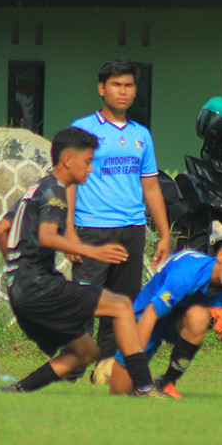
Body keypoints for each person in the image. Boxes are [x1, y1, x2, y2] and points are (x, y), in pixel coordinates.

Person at [0, 127, 169, 397]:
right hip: (39, 286)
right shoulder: (55, 191)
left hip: (20, 290)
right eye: (88, 162)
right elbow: (47, 236)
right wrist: (93, 251)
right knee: (121, 305)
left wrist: (17, 271)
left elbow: (1, 230)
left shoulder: (36, 188)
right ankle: (145, 387)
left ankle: (18, 390)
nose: (91, 169)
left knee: (86, 351)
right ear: (67, 161)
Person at [66, 58, 172, 379]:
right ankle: (70, 369)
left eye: (128, 85)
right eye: (115, 84)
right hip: (92, 229)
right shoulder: (82, 129)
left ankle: (106, 368)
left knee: (121, 305)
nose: (122, 91)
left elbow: (150, 186)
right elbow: (68, 182)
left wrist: (164, 234)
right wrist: (68, 231)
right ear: (102, 88)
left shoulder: (142, 135)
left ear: (135, 91)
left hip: (132, 230)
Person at [107, 226, 222, 398]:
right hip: (147, 316)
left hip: (176, 321)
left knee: (199, 316)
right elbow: (150, 315)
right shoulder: (186, 276)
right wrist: (139, 371)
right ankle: (115, 369)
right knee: (120, 392)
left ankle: (166, 382)